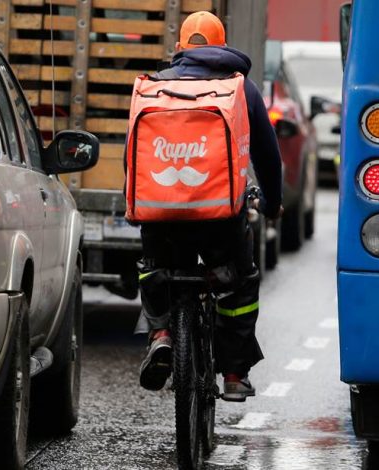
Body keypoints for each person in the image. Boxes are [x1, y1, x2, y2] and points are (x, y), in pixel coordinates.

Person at [130, 10, 283, 402]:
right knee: (239, 282)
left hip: (162, 215)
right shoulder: (240, 89)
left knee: (154, 268)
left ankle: (162, 333)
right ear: (222, 44)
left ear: (181, 47)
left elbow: (132, 156)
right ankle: (233, 373)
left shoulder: (155, 88)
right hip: (220, 219)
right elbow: (267, 154)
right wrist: (272, 203)